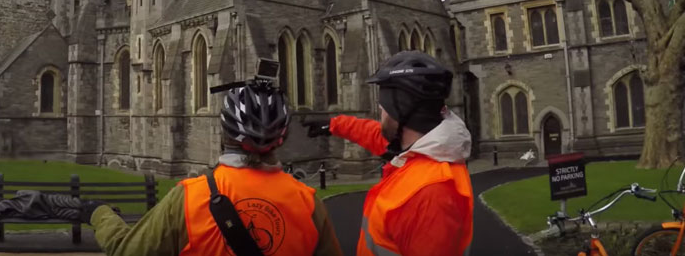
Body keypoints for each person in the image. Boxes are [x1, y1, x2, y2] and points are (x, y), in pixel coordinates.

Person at [82, 74, 343, 256]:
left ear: (224, 134)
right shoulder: (308, 203)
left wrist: (100, 213)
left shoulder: (190, 197)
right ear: (281, 138)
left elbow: (128, 251)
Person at [305, 51, 473, 256]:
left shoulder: (431, 193)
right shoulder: (423, 150)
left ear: (399, 110)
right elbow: (376, 135)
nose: (380, 112)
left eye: (383, 107)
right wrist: (332, 125)